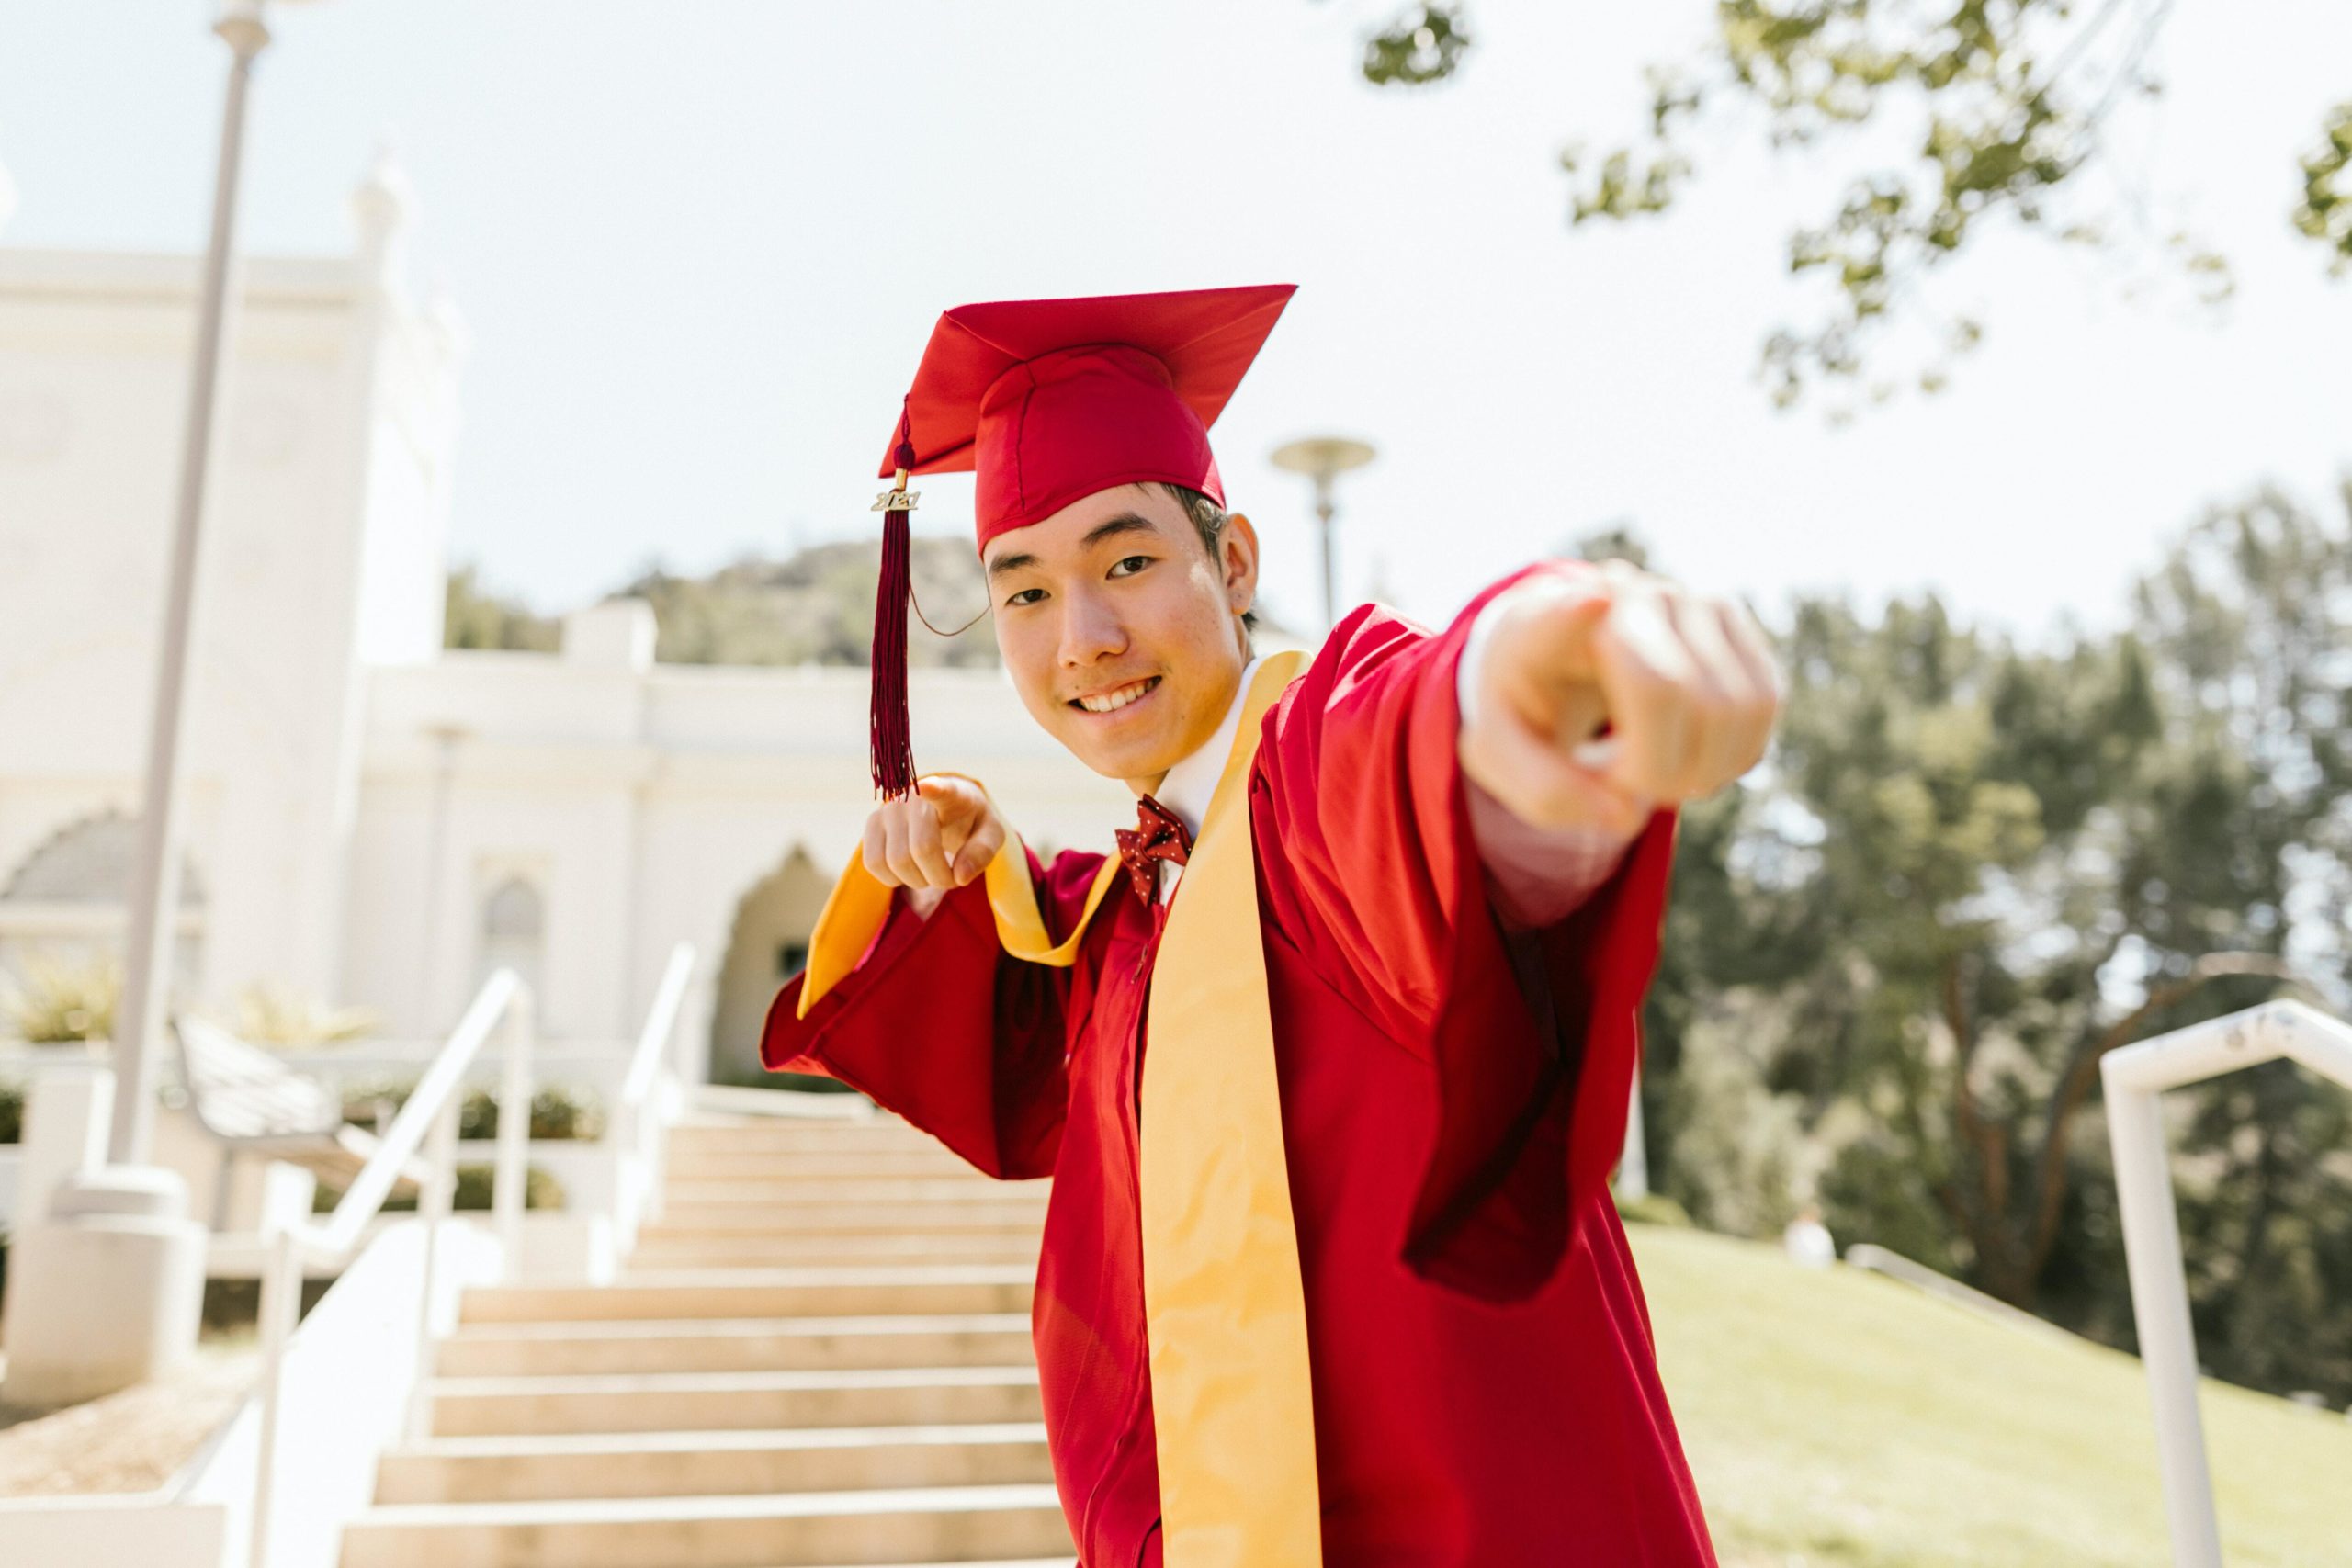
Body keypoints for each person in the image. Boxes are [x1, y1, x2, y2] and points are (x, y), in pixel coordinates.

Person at [762, 283, 1780, 1567]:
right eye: (1023, 594)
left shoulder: (1307, 775)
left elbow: (1414, 740)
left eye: (1128, 562)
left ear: (1233, 563)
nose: (1082, 639)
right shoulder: (1132, 910)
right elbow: (1019, 1051)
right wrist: (953, 875)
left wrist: (1547, 654)